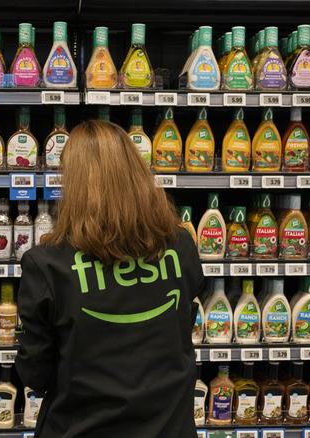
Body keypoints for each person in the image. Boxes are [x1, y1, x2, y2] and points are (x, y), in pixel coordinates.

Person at [16, 119, 204, 437]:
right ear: (137, 173)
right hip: (168, 427)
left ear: (72, 184)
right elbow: (181, 332)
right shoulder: (181, 245)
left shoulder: (47, 264)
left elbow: (36, 372)